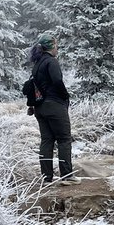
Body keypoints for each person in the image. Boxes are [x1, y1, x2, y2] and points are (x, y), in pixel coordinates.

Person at [29, 34, 73, 182]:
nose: (57, 49)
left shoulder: (37, 64)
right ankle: (66, 176)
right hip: (54, 105)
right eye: (56, 46)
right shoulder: (51, 61)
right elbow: (57, 81)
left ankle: (46, 177)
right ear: (51, 47)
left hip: (40, 108)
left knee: (46, 141)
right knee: (64, 139)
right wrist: (65, 96)